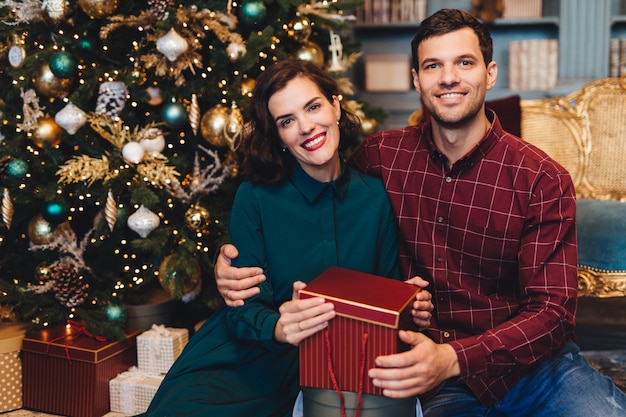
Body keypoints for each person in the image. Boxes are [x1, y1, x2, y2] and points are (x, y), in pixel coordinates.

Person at [214, 8, 626, 417]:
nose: (448, 77)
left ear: (490, 73)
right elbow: (310, 194)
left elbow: (552, 314)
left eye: (464, 62)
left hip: (536, 368)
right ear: (416, 80)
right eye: (433, 66)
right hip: (435, 378)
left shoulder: (541, 178)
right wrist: (237, 260)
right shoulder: (381, 157)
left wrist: (453, 357)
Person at [139, 59, 432, 417]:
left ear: (336, 106)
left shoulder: (374, 197)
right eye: (287, 121)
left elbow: (383, 294)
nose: (307, 127)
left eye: (313, 106)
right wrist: (278, 326)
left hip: (335, 363)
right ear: (277, 136)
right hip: (248, 359)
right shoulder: (255, 197)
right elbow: (241, 306)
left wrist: (408, 305)